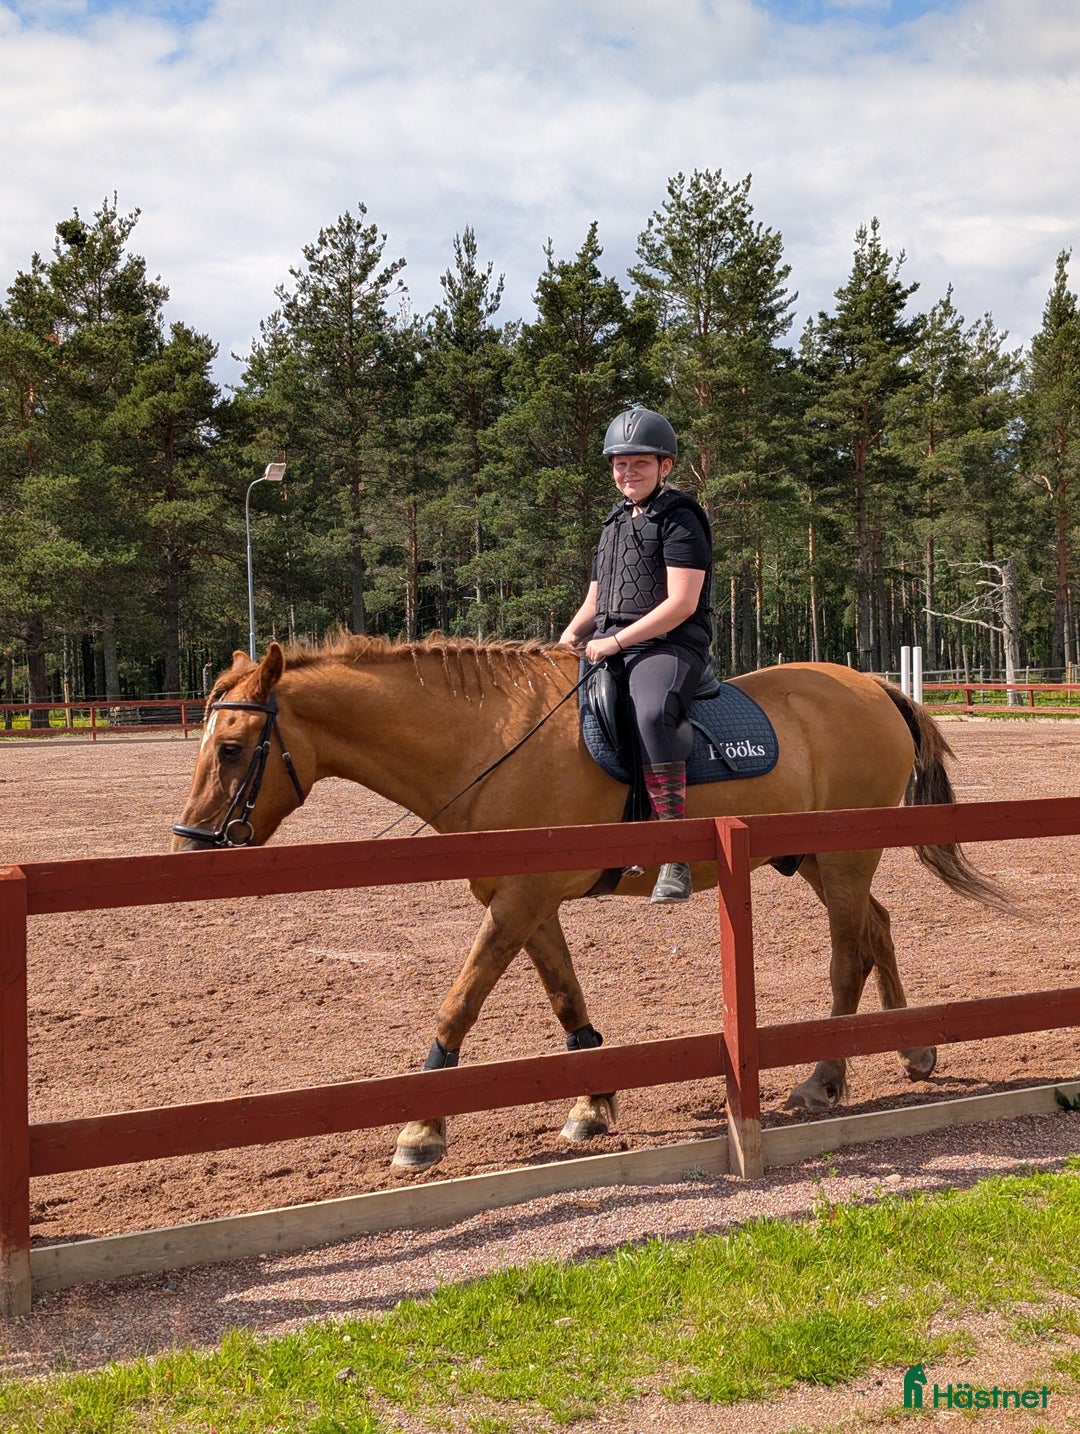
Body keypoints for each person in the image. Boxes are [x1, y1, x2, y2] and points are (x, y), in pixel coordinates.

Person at [559, 407, 713, 903]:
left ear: (665, 465)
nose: (628, 473)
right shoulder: (613, 522)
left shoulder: (681, 517)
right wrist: (567, 637)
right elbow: (596, 597)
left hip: (669, 644)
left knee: (649, 714)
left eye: (640, 463)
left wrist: (617, 642)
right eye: (620, 464)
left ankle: (675, 852)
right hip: (610, 639)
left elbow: (681, 603)